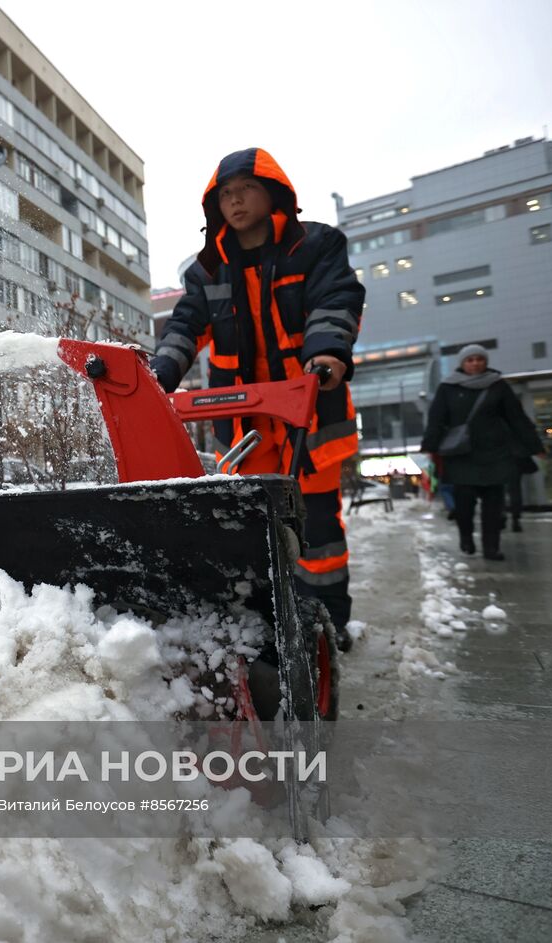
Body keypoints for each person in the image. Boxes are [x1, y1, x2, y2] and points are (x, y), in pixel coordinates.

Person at [150, 148, 365, 652]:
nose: (235, 200)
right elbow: (186, 325)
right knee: (252, 526)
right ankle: (268, 621)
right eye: (225, 194)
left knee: (318, 528)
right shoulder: (209, 270)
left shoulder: (316, 247)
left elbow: (335, 301)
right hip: (245, 423)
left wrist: (329, 354)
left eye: (244, 188)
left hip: (309, 410)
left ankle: (328, 623)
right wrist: (161, 373)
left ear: (273, 193)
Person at [420, 345, 545, 560]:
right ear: (462, 363)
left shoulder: (498, 386)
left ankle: (491, 547)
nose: (475, 363)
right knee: (464, 504)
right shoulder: (448, 387)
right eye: (470, 360)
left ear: (485, 361)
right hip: (461, 454)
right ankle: (466, 537)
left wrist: (535, 446)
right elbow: (437, 420)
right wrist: (430, 446)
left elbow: (517, 418)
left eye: (480, 359)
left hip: (495, 452)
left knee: (494, 505)